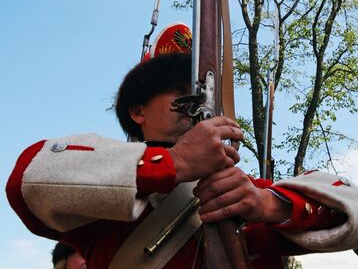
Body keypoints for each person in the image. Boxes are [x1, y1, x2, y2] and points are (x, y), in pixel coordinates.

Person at [6, 25, 358, 268]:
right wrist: (173, 162)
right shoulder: (110, 195)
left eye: (205, 93)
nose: (197, 101)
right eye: (179, 91)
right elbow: (28, 180)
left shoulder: (245, 193)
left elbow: (351, 209)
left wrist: (269, 204)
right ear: (137, 110)